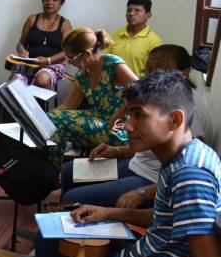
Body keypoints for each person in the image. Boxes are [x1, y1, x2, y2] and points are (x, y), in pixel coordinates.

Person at [9, 70, 221, 257]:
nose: (128, 126)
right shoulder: (186, 155)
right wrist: (110, 213)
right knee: (50, 240)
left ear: (174, 120)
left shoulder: (191, 176)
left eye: (138, 116)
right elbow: (166, 217)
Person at [59, 44, 213, 208]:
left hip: (153, 179)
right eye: (149, 68)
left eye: (161, 68)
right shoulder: (157, 98)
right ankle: (59, 224)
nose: (152, 74)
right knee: (69, 171)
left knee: (74, 197)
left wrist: (144, 192)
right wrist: (117, 150)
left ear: (185, 72)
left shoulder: (187, 107)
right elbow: (150, 146)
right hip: (136, 164)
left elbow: (188, 167)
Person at [45, 27, 137, 165]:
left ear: (86, 54)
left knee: (56, 122)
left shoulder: (113, 64)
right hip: (97, 118)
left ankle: (52, 170)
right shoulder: (82, 74)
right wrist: (42, 118)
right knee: (49, 120)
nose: (69, 62)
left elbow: (141, 91)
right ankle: (50, 168)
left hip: (118, 128)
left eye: (70, 58)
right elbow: (68, 106)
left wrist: (117, 114)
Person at [10, 0, 72, 89]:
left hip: (53, 66)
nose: (50, 3)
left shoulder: (65, 24)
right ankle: (22, 105)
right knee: (14, 80)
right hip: (30, 64)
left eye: (54, 0)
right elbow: (21, 43)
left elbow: (67, 52)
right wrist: (21, 51)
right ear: (42, 1)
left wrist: (48, 60)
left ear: (61, 3)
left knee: (42, 79)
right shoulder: (32, 19)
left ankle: (37, 105)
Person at [105, 0, 163, 76]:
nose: (131, 14)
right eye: (129, 10)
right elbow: (104, 62)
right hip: (112, 86)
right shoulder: (114, 35)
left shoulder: (154, 41)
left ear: (148, 15)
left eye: (137, 10)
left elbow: (155, 72)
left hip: (138, 87)